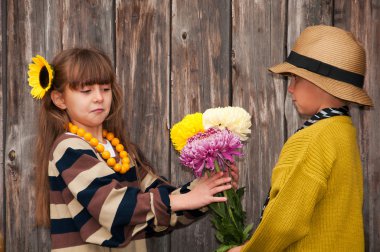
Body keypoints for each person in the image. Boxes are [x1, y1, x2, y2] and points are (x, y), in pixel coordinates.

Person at [30, 48, 238, 251]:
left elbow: (160, 212)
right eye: (86, 91)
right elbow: (111, 206)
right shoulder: (68, 148)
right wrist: (181, 199)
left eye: (105, 88)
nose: (99, 97)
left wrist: (207, 190)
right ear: (59, 99)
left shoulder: (123, 152)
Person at [229, 25, 372, 251]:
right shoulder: (343, 131)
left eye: (296, 79)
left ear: (320, 82)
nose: (290, 89)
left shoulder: (312, 138)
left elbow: (284, 222)